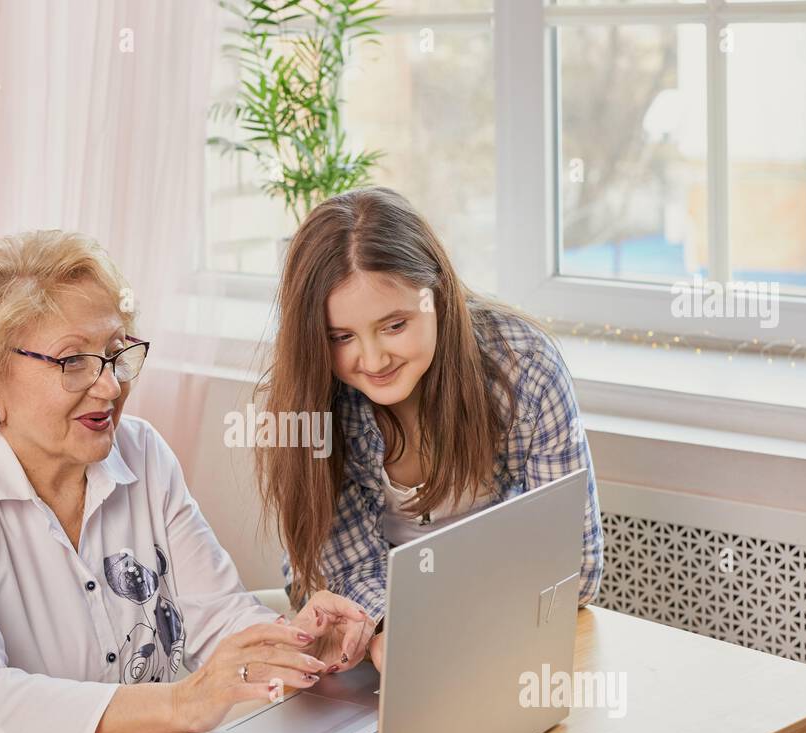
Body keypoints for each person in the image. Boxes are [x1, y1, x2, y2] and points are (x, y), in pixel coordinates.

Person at [0, 230, 373, 733]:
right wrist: (180, 703)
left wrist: (295, 645)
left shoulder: (142, 454)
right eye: (74, 361)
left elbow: (218, 619)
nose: (110, 385)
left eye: (118, 353)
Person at [255, 187, 604, 674]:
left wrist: (431, 622)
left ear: (436, 295)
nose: (374, 360)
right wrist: (390, 628)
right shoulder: (307, 399)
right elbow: (338, 570)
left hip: (501, 637)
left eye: (395, 325)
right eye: (341, 337)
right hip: (371, 642)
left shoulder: (525, 370)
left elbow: (576, 571)